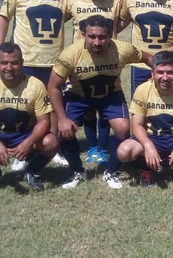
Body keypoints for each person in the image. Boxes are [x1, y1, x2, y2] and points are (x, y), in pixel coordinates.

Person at [47, 15, 153, 189]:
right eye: (92, 37)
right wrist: (62, 119)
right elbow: (53, 86)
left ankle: (110, 171)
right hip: (79, 96)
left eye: (102, 37)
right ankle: (77, 170)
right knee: (64, 130)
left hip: (110, 95)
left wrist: (162, 72)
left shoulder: (122, 49)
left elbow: (148, 58)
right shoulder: (70, 54)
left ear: (110, 35)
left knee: (123, 128)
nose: (97, 42)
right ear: (83, 35)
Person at [0, 0, 73, 170]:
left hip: (54, 61)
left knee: (53, 106)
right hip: (25, 60)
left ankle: (52, 149)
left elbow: (84, 4)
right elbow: (3, 18)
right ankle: (23, 152)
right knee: (26, 108)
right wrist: (1, 49)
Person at [0, 42, 58, 191]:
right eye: (4, 63)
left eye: (14, 63)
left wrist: (28, 143)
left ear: (22, 62)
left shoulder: (36, 85)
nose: (9, 68)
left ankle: (32, 170)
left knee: (50, 143)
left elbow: (44, 122)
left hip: (25, 134)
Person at [117, 52, 173, 190]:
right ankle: (147, 169)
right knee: (124, 151)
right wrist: (147, 145)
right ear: (152, 74)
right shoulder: (142, 89)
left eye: (170, 72)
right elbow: (136, 124)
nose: (165, 78)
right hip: (153, 137)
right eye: (160, 72)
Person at [66, 0, 122, 165]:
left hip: (108, 61)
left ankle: (103, 147)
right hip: (81, 62)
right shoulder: (72, 0)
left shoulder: (115, 1)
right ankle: (92, 147)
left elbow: (121, 22)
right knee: (89, 107)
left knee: (105, 105)